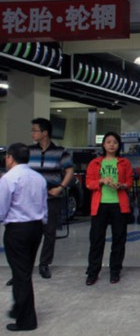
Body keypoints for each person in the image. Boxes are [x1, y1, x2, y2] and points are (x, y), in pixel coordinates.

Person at [0, 143, 47, 332]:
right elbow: (44, 206)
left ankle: (26, 321)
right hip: (36, 227)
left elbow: (2, 207)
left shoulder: (9, 178)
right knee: (24, 271)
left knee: (21, 275)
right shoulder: (39, 178)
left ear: (10, 158)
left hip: (17, 229)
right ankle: (18, 308)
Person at [84, 132, 134, 286]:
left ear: (119, 145)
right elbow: (88, 183)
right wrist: (101, 181)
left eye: (115, 142)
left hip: (119, 205)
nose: (112, 145)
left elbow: (129, 182)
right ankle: (93, 272)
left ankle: (115, 270)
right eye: (108, 142)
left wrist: (121, 185)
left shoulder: (124, 163)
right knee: (96, 240)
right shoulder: (95, 163)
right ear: (103, 145)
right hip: (100, 205)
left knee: (119, 239)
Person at [29, 117, 74, 280]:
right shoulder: (29, 151)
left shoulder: (60, 152)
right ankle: (25, 266)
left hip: (51, 197)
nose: (33, 134)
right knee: (29, 233)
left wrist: (60, 187)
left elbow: (69, 171)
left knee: (49, 233)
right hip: (32, 199)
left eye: (35, 130)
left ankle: (44, 264)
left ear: (45, 132)